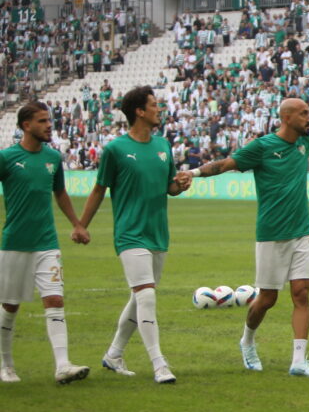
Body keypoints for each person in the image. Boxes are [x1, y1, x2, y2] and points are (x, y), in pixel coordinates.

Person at [191, 99, 309, 376]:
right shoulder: (262, 147)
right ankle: (247, 341)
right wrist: (192, 173)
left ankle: (299, 360)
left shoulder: (305, 144)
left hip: (301, 232)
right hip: (271, 234)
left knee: (301, 293)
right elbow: (226, 164)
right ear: (286, 117)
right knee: (267, 299)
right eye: (303, 114)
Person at [80, 87, 192, 384]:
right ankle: (159, 364)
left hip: (158, 232)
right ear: (139, 112)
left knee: (140, 296)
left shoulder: (163, 146)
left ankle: (114, 354)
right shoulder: (115, 150)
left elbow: (169, 186)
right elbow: (98, 189)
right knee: (147, 295)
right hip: (130, 234)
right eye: (154, 105)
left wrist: (180, 185)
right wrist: (82, 225)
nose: (160, 109)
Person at [0, 101, 91, 385]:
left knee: (54, 300)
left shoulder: (52, 157)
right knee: (10, 306)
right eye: (42, 121)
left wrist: (77, 224)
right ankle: (6, 365)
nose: (49, 125)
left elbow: (60, 193)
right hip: (15, 243)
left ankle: (62, 365)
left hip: (47, 243)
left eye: (48, 120)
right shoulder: (7, 158)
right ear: (26, 125)